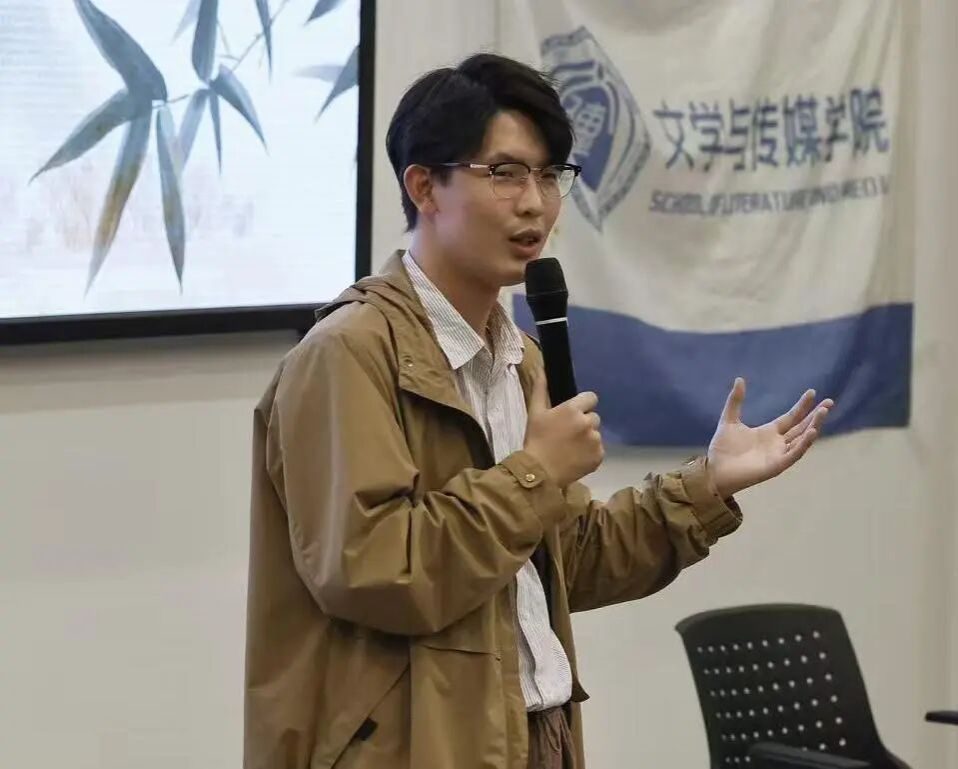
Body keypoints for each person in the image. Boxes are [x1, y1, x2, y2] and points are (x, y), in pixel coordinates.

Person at [243, 53, 833, 769]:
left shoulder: (518, 357)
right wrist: (534, 473)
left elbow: (563, 558)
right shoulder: (349, 354)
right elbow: (373, 570)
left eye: (550, 175)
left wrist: (706, 485)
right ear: (424, 187)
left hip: (534, 730)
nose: (535, 203)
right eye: (505, 173)